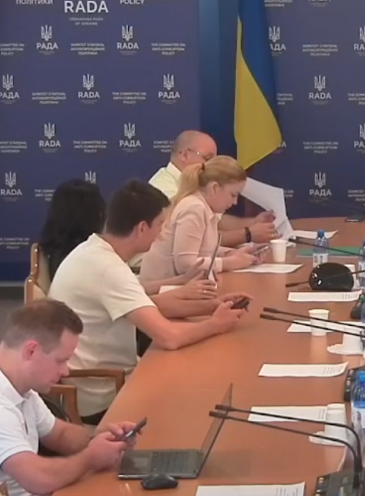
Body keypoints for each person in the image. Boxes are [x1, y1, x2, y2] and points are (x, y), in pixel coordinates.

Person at [49, 180, 250, 423]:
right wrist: (216, 324)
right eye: (161, 225)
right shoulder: (108, 269)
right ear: (142, 228)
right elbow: (169, 337)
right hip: (105, 397)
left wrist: (213, 306)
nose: (162, 234)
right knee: (203, 387)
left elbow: (149, 306)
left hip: (102, 383)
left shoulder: (93, 250)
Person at [0, 299, 138, 496]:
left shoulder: (20, 388)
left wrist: (101, 438)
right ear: (31, 350)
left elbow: (60, 435)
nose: (65, 371)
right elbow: (39, 479)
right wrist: (91, 457)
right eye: (61, 360)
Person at [38, 178, 215, 300]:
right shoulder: (104, 265)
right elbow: (156, 319)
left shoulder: (88, 252)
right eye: (160, 224)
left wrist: (181, 282)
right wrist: (184, 292)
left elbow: (133, 290)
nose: (161, 234)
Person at [141, 156, 264, 283]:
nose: (235, 202)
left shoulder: (207, 208)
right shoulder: (194, 208)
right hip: (162, 288)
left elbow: (204, 250)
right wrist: (230, 262)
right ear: (214, 188)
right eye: (233, 195)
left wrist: (233, 254)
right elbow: (186, 265)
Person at [150, 130, 277, 245]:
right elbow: (199, 240)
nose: (212, 166)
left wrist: (253, 223)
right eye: (208, 158)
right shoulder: (163, 189)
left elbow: (217, 221)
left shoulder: (198, 185)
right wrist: (247, 234)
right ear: (184, 155)